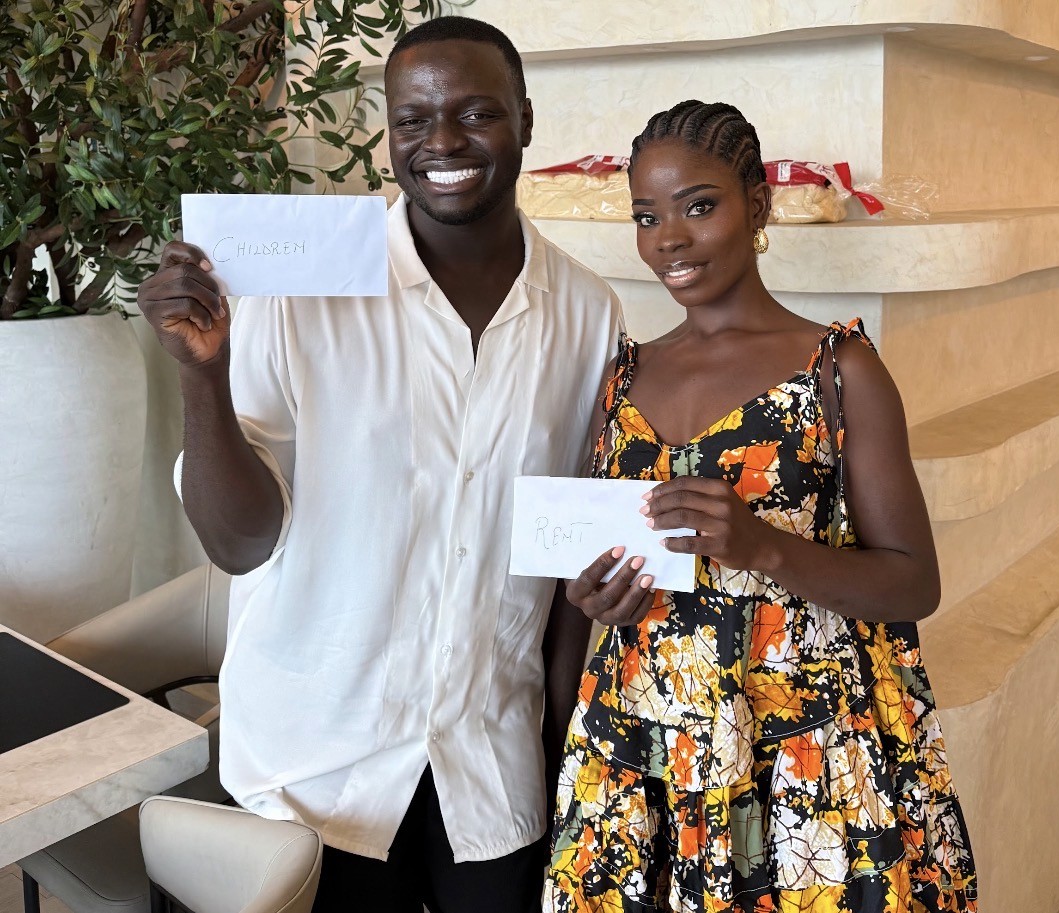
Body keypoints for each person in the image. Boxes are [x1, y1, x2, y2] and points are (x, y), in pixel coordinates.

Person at [136, 16, 621, 913]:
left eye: (476, 113)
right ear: (387, 130)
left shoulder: (589, 315)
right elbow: (240, 542)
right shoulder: (298, 289)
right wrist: (202, 378)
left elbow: (570, 555)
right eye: (413, 119)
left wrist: (569, 737)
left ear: (525, 117)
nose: (442, 142)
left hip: (492, 767)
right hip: (312, 766)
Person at [544, 101, 978, 912]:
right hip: (642, 742)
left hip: (795, 745)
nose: (669, 236)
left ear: (759, 205)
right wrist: (589, 597)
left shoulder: (837, 371)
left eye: (699, 205)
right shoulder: (623, 378)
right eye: (647, 215)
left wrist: (764, 545)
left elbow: (913, 583)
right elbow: (589, 565)